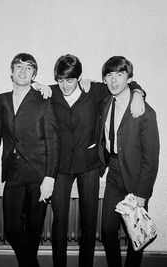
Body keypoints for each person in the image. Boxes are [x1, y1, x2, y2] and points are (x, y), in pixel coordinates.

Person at [35, 54, 145, 267]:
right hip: (61, 167)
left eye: (70, 80)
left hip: (89, 165)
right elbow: (26, 89)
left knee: (88, 220)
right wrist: (39, 85)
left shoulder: (94, 90)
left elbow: (126, 84)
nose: (65, 85)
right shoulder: (52, 92)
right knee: (60, 221)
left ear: (79, 77)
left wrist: (138, 93)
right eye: (60, 81)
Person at [0, 53, 59, 267]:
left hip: (39, 173)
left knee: (33, 230)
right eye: (18, 67)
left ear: (34, 75)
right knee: (11, 228)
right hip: (13, 170)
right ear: (11, 71)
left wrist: (50, 177)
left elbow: (53, 141)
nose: (23, 71)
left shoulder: (44, 99)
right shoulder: (0, 100)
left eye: (29, 68)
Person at [99, 56, 159, 267]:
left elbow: (151, 157)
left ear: (128, 77)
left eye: (120, 74)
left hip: (136, 177)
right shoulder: (105, 101)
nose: (114, 80)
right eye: (109, 75)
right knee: (107, 230)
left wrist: (143, 192)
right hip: (114, 173)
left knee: (137, 234)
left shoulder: (144, 111)